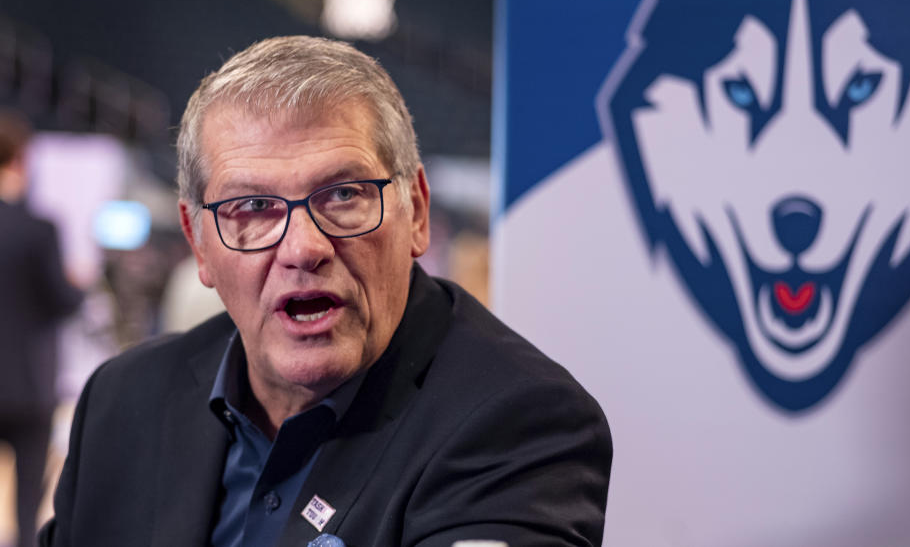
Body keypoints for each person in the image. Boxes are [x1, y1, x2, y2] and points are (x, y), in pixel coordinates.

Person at [39, 36, 612, 547]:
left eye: (344, 194)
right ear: (199, 243)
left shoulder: (520, 424)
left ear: (416, 211)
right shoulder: (122, 400)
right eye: (253, 207)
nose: (303, 247)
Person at [0, 110, 83, 547]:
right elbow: (63, 302)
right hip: (28, 384)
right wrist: (76, 284)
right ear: (21, 160)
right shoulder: (39, 229)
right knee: (28, 498)